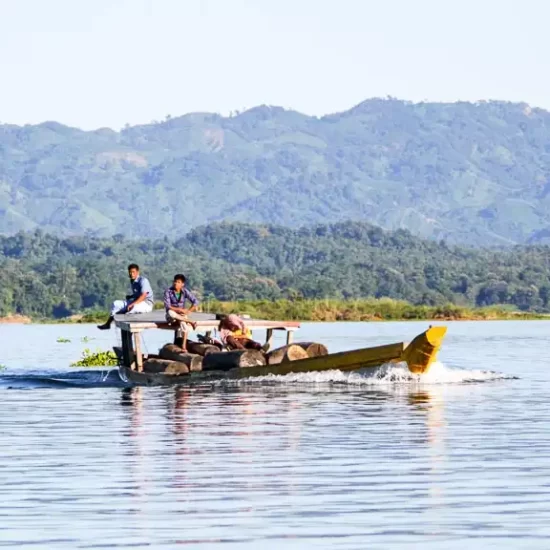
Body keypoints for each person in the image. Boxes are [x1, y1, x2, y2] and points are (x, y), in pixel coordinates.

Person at [97, 264, 154, 330]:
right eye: (130, 272)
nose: (131, 274)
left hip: (146, 304)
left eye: (133, 272)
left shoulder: (143, 281)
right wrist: (131, 296)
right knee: (116, 303)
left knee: (133, 307)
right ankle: (108, 324)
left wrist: (133, 304)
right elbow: (138, 294)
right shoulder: (132, 281)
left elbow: (143, 295)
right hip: (137, 301)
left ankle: (120, 314)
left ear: (138, 272)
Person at [164, 274, 199, 346]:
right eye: (175, 281)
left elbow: (195, 301)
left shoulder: (184, 291)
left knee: (184, 326)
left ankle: (183, 346)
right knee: (171, 313)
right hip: (171, 317)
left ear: (182, 284)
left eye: (178, 282)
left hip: (181, 316)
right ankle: (190, 322)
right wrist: (179, 309)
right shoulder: (168, 291)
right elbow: (168, 306)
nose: (175, 283)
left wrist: (188, 312)